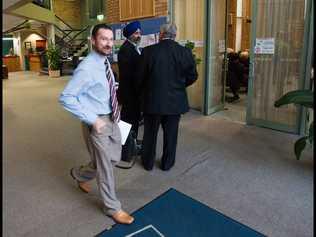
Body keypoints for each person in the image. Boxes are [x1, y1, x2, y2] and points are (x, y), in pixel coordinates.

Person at [59, 23, 134, 225]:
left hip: (112, 117)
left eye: (110, 39)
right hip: (97, 121)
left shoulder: (104, 61)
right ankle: (113, 207)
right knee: (105, 168)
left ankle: (79, 174)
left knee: (113, 158)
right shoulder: (87, 68)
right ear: (93, 41)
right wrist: (93, 119)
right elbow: (67, 97)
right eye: (103, 39)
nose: (108, 43)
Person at [138, 23, 198, 171]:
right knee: (171, 135)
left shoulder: (148, 52)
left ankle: (148, 163)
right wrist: (180, 86)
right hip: (175, 102)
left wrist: (147, 90)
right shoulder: (185, 52)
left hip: (152, 102)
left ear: (161, 34)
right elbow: (193, 76)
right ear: (175, 35)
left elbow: (139, 77)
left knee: (150, 134)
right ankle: (167, 164)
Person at [117, 21, 142, 163]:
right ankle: (125, 154)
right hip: (129, 95)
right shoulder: (126, 50)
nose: (138, 35)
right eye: (136, 33)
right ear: (129, 35)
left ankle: (130, 148)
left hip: (134, 94)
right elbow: (129, 75)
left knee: (133, 122)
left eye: (139, 32)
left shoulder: (134, 48)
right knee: (127, 123)